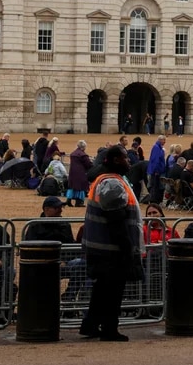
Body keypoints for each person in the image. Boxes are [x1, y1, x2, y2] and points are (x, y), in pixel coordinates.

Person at [80, 146, 144, 341]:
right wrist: (127, 248)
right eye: (125, 158)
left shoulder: (107, 180)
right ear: (116, 160)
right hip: (111, 248)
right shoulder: (112, 183)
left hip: (102, 246)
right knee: (113, 291)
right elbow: (116, 220)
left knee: (102, 289)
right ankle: (109, 328)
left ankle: (90, 325)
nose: (129, 161)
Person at [66, 140, 93, 207]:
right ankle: (79, 202)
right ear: (84, 147)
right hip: (81, 172)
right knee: (81, 187)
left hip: (72, 172)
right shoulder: (83, 155)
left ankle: (68, 200)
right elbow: (88, 164)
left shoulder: (73, 154)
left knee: (72, 186)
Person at [146, 135, 167, 206]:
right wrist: (156, 170)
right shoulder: (157, 148)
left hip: (158, 171)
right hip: (156, 172)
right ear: (160, 140)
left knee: (156, 187)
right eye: (164, 140)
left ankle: (155, 201)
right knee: (154, 187)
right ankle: (153, 201)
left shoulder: (159, 147)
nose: (165, 142)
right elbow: (155, 160)